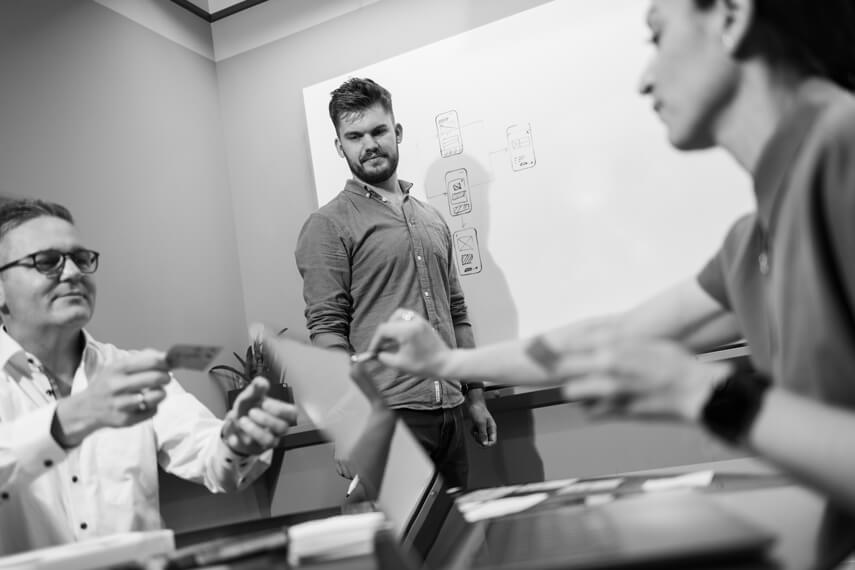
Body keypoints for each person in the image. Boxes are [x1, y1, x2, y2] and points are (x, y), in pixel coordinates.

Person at [365, 0, 855, 554]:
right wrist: (445, 363)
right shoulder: (754, 240)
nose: (645, 79)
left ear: (731, 16)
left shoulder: (842, 149)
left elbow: (688, 383)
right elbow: (608, 338)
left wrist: (703, 392)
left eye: (657, 35)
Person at [0, 199, 296, 556]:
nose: (74, 273)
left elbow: (210, 458)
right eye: (46, 262)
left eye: (80, 259)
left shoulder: (135, 370)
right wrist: (69, 420)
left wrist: (237, 441)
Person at [295, 77, 497, 491]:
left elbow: (457, 312)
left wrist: (474, 396)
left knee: (461, 548)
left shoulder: (433, 219)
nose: (368, 144)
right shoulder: (328, 225)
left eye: (377, 130)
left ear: (396, 132)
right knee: (402, 550)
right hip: (387, 419)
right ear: (340, 147)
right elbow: (328, 332)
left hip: (451, 413)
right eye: (354, 136)